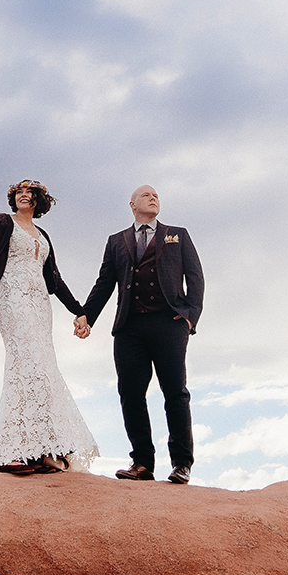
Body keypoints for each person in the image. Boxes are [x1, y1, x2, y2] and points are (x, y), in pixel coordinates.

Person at [0, 179, 99, 475]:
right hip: (12, 299)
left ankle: (42, 451)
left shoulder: (43, 234)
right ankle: (10, 452)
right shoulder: (2, 223)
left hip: (40, 307)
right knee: (24, 367)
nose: (23, 196)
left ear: (38, 201)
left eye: (29, 193)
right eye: (18, 193)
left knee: (44, 369)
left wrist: (80, 311)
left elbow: (55, 280)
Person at [74, 184, 203, 483]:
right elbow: (105, 283)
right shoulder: (116, 241)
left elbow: (196, 279)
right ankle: (142, 463)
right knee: (130, 394)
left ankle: (182, 463)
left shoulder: (177, 235)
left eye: (156, 195)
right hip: (129, 328)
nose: (153, 197)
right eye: (146, 195)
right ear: (132, 204)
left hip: (169, 323)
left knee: (175, 392)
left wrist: (188, 318)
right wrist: (86, 316)